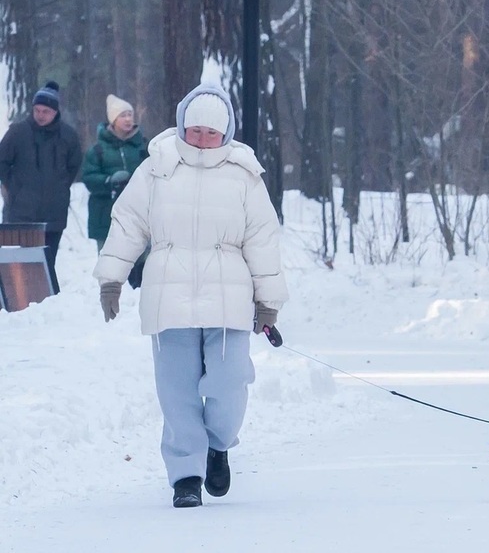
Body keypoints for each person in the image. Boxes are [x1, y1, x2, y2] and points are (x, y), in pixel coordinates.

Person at [92, 83, 288, 508]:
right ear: (182, 126)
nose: (201, 138)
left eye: (210, 132)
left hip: (229, 299)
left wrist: (267, 302)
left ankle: (217, 446)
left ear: (226, 134)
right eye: (195, 129)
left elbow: (263, 240)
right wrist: (112, 277)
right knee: (177, 390)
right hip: (169, 296)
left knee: (229, 381)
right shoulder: (157, 167)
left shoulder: (244, 175)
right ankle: (185, 475)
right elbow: (128, 223)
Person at [0, 81, 83, 292]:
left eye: (46, 111)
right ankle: (14, 299)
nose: (40, 115)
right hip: (20, 213)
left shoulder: (68, 136)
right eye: (37, 110)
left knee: (47, 261)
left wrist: (60, 187)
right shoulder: (18, 132)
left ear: (55, 111)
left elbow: (73, 166)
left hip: (53, 213)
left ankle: (43, 301)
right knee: (17, 263)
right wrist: (12, 185)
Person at [81, 94, 149, 288]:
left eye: (130, 114)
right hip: (106, 214)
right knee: (110, 259)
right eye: (123, 115)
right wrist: (109, 181)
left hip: (139, 213)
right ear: (113, 119)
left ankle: (138, 292)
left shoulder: (144, 146)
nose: (128, 119)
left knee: (142, 258)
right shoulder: (98, 150)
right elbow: (89, 178)